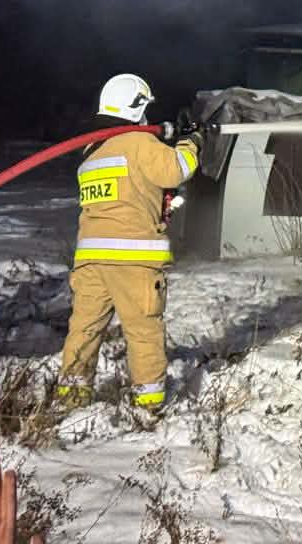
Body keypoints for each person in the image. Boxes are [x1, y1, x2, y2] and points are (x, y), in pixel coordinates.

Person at [54, 73, 202, 414]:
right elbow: (176, 170)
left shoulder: (92, 152)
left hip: (91, 260)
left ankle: (71, 400)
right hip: (132, 258)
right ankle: (148, 406)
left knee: (84, 329)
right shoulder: (139, 144)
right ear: (135, 109)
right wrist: (191, 141)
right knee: (143, 330)